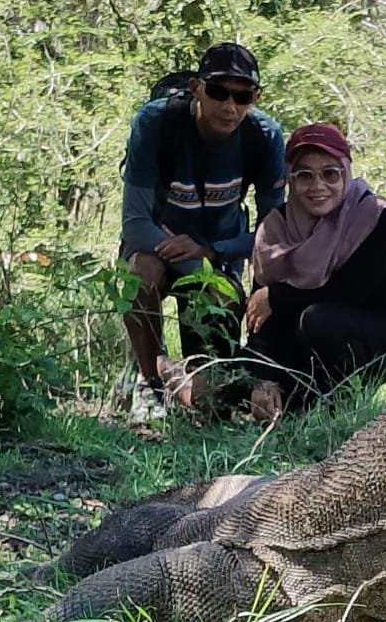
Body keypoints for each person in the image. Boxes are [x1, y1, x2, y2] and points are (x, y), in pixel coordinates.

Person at [119, 42, 286, 424]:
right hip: (158, 247)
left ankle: (169, 372)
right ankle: (148, 383)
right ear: (196, 88)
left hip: (217, 257)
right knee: (141, 274)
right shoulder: (156, 124)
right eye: (218, 92)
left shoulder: (264, 137)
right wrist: (190, 255)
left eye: (243, 96)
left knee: (214, 405)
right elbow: (135, 223)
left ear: (255, 97)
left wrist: (211, 254)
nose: (230, 106)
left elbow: (272, 231)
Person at [244, 122, 386, 421]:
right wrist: (262, 379)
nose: (318, 186)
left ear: (346, 172)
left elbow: (352, 291)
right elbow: (260, 313)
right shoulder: (276, 228)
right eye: (305, 175)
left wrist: (278, 296)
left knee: (319, 320)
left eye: (330, 174)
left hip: (379, 337)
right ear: (291, 177)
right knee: (236, 388)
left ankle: (341, 410)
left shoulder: (372, 216)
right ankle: (297, 406)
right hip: (302, 343)